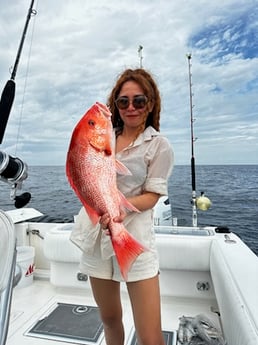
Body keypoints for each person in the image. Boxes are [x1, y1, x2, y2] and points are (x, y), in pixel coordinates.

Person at [72, 68, 174, 345]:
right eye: (123, 101)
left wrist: (119, 210)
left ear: (150, 104)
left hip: (133, 238)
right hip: (96, 236)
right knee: (109, 318)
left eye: (139, 101)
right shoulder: (105, 136)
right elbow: (83, 170)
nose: (131, 107)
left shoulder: (159, 146)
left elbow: (153, 195)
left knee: (151, 337)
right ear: (115, 105)